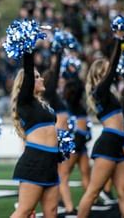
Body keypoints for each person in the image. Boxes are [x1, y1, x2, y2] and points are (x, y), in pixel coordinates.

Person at [77, 35, 124, 218]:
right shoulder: (99, 92)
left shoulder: (110, 94)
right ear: (99, 75)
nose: (112, 73)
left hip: (118, 145)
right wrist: (118, 42)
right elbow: (112, 71)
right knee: (93, 192)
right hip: (108, 144)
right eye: (107, 71)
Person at [10, 48, 59, 218]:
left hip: (51, 162)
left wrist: (58, 54)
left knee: (52, 211)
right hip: (34, 162)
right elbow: (29, 73)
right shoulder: (25, 102)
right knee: (24, 210)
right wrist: (28, 49)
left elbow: (54, 78)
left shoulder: (44, 104)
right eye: (37, 77)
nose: (41, 78)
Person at [43, 52, 76, 214]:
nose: (61, 81)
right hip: (57, 139)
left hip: (63, 140)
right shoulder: (51, 96)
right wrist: (58, 56)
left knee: (58, 175)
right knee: (62, 175)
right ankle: (70, 208)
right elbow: (55, 75)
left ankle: (58, 203)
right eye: (58, 79)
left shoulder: (57, 97)